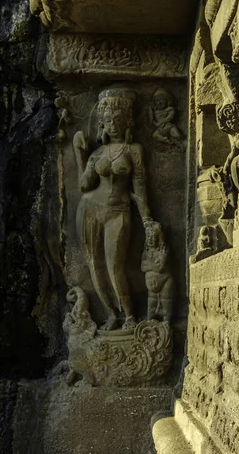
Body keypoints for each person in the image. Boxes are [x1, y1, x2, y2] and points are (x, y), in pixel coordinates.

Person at [73, 86, 152, 331]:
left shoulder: (134, 150)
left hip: (119, 211)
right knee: (95, 266)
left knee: (114, 265)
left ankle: (129, 316)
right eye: (108, 120)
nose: (113, 124)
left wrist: (148, 221)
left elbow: (140, 186)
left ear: (128, 121)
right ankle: (111, 315)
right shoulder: (97, 153)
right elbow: (85, 185)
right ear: (102, 124)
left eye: (118, 119)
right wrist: (80, 155)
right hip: (89, 211)